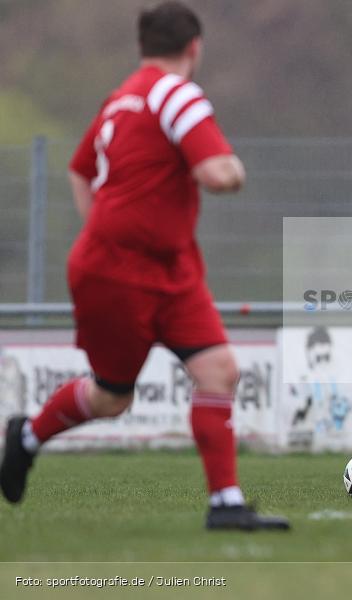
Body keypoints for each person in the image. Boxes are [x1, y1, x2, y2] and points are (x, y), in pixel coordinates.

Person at [0, 1, 289, 531]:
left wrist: (104, 229)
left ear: (143, 47)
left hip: (169, 269)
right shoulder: (175, 93)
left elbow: (80, 170)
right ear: (194, 48)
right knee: (112, 397)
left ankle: (225, 502)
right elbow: (218, 174)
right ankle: (26, 437)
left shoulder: (121, 99)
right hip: (119, 273)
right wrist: (235, 168)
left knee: (218, 370)